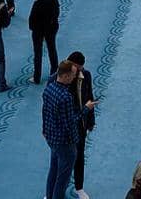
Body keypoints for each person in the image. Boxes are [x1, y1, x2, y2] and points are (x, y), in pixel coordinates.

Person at [43, 60, 93, 199]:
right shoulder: (66, 97)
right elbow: (70, 123)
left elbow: (45, 112)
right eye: (72, 76)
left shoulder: (49, 88)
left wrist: (45, 130)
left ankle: (49, 195)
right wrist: (85, 109)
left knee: (53, 170)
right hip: (65, 143)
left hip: (52, 138)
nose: (73, 79)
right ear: (65, 76)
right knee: (63, 179)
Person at [67, 52, 96, 198]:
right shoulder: (60, 79)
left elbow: (90, 97)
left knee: (79, 157)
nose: (79, 72)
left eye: (81, 69)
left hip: (81, 125)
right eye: (77, 69)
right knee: (61, 161)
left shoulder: (86, 75)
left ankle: (79, 187)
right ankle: (55, 189)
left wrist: (91, 121)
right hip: (65, 128)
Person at [29, 0, 60, 83]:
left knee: (37, 53)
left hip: (38, 31)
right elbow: (56, 14)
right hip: (51, 29)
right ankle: (54, 74)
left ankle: (37, 77)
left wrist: (33, 28)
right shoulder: (54, 0)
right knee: (52, 50)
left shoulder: (37, 4)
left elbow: (32, 19)